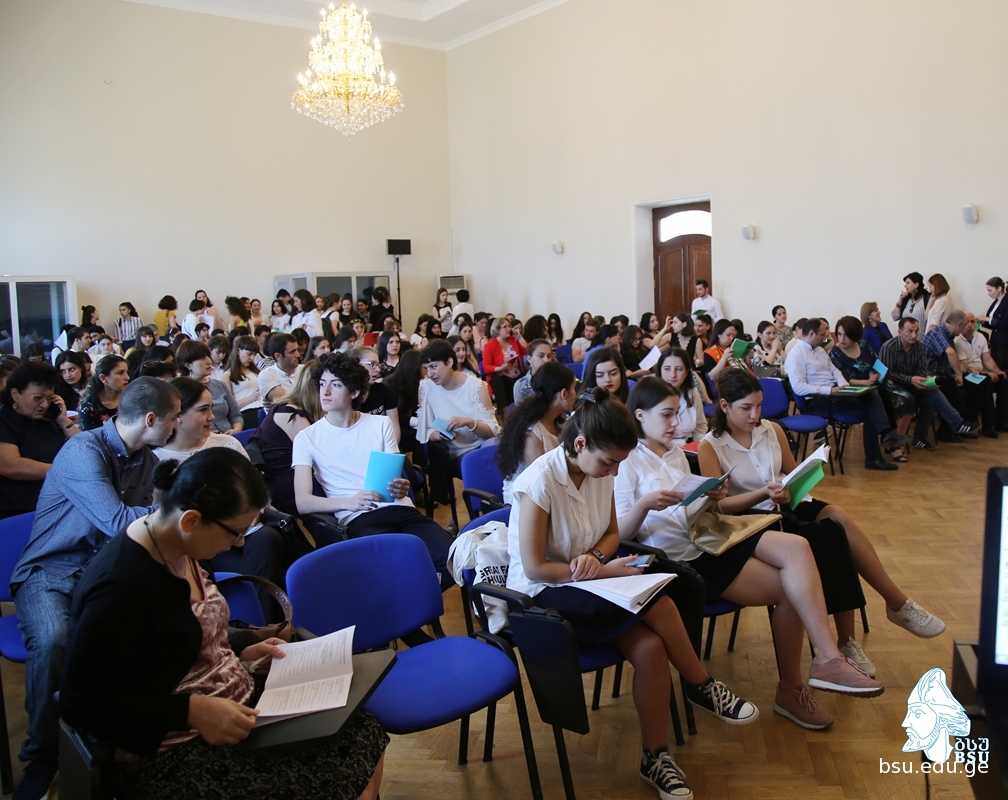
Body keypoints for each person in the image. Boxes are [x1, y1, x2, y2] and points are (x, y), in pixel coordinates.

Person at [59, 448, 387, 800]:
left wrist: (241, 650)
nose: (241, 542)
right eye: (237, 532)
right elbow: (81, 703)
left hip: (228, 701)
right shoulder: (121, 585)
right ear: (190, 521)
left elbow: (183, 636)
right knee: (333, 768)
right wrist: (191, 711)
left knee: (361, 728)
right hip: (170, 744)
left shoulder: (184, 546)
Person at [508, 387, 757, 800]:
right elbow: (535, 568)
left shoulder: (599, 471)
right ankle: (700, 683)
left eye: (619, 464)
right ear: (580, 444)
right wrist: (603, 569)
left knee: (652, 647)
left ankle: (654, 757)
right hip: (544, 594)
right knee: (659, 601)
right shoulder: (539, 481)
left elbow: (610, 535)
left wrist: (596, 558)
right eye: (609, 462)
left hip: (589, 582)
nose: (614, 473)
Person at [617, 377, 883, 731]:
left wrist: (710, 498)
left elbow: (695, 512)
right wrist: (645, 505)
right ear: (640, 415)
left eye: (677, 414)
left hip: (708, 537)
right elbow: (620, 534)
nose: (676, 423)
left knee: (799, 549)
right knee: (793, 586)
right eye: (667, 415)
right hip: (680, 559)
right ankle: (798, 685)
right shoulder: (626, 462)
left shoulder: (676, 453)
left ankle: (826, 659)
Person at [698, 370, 944, 667]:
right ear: (725, 406)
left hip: (783, 503)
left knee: (837, 519)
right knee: (829, 537)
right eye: (746, 408)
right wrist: (763, 492)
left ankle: (892, 606)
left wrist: (794, 484)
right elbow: (719, 508)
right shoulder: (710, 446)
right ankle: (851, 637)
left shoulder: (771, 430)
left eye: (759, 406)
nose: (755, 415)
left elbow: (791, 473)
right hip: (748, 518)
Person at [10, 378, 181, 799]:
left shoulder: (148, 460)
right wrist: (182, 512)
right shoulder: (82, 451)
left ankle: (110, 741)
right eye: (174, 417)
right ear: (151, 419)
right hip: (51, 571)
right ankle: (42, 755)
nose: (177, 425)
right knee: (55, 639)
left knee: (155, 629)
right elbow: (119, 522)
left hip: (102, 575)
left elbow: (153, 526)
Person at [293, 354, 453, 591]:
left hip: (400, 509)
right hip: (359, 517)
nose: (325, 391)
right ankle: (413, 596)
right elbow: (303, 502)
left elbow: (395, 480)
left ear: (354, 392)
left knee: (452, 560)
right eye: (322, 383)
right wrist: (349, 502)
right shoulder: (306, 438)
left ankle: (416, 593)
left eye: (335, 384)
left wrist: (402, 486)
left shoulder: (380, 424)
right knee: (389, 572)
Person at [151, 378, 296, 607]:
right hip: (197, 542)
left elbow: (256, 491)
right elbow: (164, 515)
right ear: (178, 416)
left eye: (211, 408)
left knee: (265, 539)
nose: (212, 416)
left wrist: (244, 523)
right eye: (203, 410)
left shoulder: (227, 444)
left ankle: (262, 617)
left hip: (244, 532)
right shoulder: (157, 459)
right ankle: (255, 614)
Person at [784, 318, 907, 470]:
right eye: (823, 334)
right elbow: (799, 388)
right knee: (871, 409)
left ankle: (886, 435)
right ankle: (875, 454)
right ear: (811, 334)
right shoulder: (796, 355)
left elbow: (834, 370)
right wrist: (830, 390)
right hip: (820, 400)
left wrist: (844, 385)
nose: (826, 338)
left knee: (876, 392)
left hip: (836, 395)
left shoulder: (820, 350)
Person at [879, 317, 978, 449]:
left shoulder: (920, 347)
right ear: (900, 332)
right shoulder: (889, 347)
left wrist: (927, 379)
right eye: (910, 331)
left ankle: (920, 438)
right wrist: (910, 379)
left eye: (916, 331)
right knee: (930, 395)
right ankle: (957, 423)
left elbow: (923, 370)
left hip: (913, 383)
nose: (914, 335)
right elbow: (887, 374)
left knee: (930, 397)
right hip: (892, 386)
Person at [0, 363, 79, 519]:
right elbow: (11, 466)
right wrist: (63, 471)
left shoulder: (47, 418)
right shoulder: (4, 421)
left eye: (49, 398)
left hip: (60, 503)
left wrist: (62, 419)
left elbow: (83, 445)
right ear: (15, 394)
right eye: (37, 398)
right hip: (22, 511)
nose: (44, 404)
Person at [830, 316, 911, 462]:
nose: (842, 339)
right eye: (839, 334)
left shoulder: (864, 345)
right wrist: (866, 382)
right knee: (881, 399)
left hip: (874, 386)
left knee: (904, 398)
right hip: (854, 391)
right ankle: (891, 442)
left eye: (846, 335)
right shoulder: (834, 352)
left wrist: (873, 374)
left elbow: (876, 363)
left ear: (855, 335)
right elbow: (843, 380)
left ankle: (890, 438)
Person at [498, 361, 575, 504]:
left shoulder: (560, 421)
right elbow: (540, 479)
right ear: (564, 394)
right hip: (526, 498)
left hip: (550, 490)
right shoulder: (532, 433)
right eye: (574, 388)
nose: (575, 394)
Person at [250, 363, 322, 516]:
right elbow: (320, 456)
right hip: (284, 483)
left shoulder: (301, 408)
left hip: (298, 473)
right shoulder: (291, 414)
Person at [417, 340, 500, 459]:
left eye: (433, 367)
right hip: (452, 453)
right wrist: (441, 435)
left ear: (449, 362)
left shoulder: (476, 387)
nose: (429, 374)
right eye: (426, 368)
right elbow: (425, 430)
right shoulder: (426, 388)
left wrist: (470, 422)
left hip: (481, 445)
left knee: (495, 447)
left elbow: (493, 432)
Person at [923, 310, 994, 438]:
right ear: (959, 324)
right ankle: (953, 427)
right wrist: (959, 375)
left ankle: (968, 422)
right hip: (934, 377)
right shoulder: (937, 333)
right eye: (964, 326)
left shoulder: (949, 336)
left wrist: (967, 370)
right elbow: (950, 353)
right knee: (957, 388)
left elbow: (952, 360)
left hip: (947, 375)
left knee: (983, 381)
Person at [175, 340, 242, 435]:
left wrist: (236, 429)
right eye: (202, 358)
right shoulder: (179, 390)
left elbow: (235, 414)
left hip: (229, 436)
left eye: (208, 356)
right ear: (188, 365)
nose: (209, 361)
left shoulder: (220, 385)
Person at [956, 311, 1008, 432]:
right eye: (967, 322)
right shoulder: (957, 340)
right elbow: (964, 366)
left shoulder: (980, 337)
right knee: (986, 382)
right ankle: (988, 426)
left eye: (973, 321)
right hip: (967, 375)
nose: (970, 325)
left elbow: (987, 359)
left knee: (1004, 382)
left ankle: (1001, 421)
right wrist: (986, 374)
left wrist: (999, 372)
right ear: (961, 323)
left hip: (980, 374)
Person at [656, 348, 709, 446]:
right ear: (660, 370)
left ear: (686, 373)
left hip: (689, 447)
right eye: (667, 369)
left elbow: (700, 426)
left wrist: (697, 446)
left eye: (678, 369)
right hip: (661, 448)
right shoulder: (651, 395)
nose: (673, 375)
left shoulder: (692, 392)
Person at [350, 346, 401, 444]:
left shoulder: (382, 390)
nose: (377, 369)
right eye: (372, 364)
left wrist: (391, 448)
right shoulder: (348, 397)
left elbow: (394, 426)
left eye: (378, 365)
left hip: (386, 444)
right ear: (356, 365)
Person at [482, 317, 527, 411]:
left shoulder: (512, 340)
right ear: (497, 329)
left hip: (517, 373)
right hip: (501, 375)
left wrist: (519, 336)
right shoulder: (489, 346)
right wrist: (500, 368)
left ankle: (525, 410)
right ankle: (513, 411)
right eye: (505, 327)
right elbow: (486, 367)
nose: (509, 329)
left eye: (509, 326)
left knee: (526, 382)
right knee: (511, 385)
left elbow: (526, 350)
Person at [78, 355, 130, 431]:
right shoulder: (88, 406)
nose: (127, 377)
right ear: (103, 378)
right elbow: (88, 437)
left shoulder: (131, 399)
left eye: (127, 372)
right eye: (120, 373)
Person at [227, 335, 264, 429]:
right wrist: (252, 397)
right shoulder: (227, 375)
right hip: (247, 410)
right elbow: (230, 407)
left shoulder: (258, 371)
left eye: (254, 355)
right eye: (249, 354)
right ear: (238, 351)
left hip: (264, 405)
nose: (252, 358)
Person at [258, 333, 300, 407]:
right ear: (278, 356)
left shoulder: (306, 370)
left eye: (297, 350)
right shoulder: (266, 375)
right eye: (292, 352)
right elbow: (286, 405)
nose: (298, 355)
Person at [512, 339, 555, 403]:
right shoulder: (521, 386)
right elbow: (522, 409)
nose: (546, 360)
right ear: (529, 359)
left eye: (549, 356)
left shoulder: (556, 378)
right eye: (541, 356)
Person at [980, 276, 1008, 371]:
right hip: (995, 341)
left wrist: (987, 319)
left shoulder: (1006, 301)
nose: (988, 293)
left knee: (1002, 368)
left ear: (999, 288)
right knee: (995, 368)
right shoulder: (996, 302)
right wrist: (983, 322)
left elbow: (1005, 323)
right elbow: (992, 323)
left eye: (990, 290)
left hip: (1004, 342)